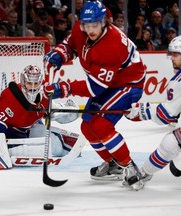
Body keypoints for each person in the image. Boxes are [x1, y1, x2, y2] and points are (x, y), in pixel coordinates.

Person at [43, 1, 146, 190]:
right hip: (107, 83)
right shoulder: (81, 28)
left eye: (95, 26)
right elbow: (71, 44)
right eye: (87, 26)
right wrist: (60, 53)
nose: (90, 30)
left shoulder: (111, 45)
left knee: (101, 125)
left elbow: (95, 88)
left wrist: (63, 88)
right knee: (87, 127)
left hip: (128, 83)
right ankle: (112, 163)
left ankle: (130, 167)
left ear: (104, 22)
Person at [126, 35, 181, 181]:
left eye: (175, 54)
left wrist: (141, 111)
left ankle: (142, 174)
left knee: (172, 142)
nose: (171, 58)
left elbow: (165, 116)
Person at [0, 65, 79, 169]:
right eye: (29, 83)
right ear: (23, 82)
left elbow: (51, 112)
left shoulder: (44, 96)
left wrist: (67, 112)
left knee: (57, 145)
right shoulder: (10, 100)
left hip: (25, 128)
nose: (33, 87)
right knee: (43, 151)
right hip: (7, 132)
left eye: (36, 83)